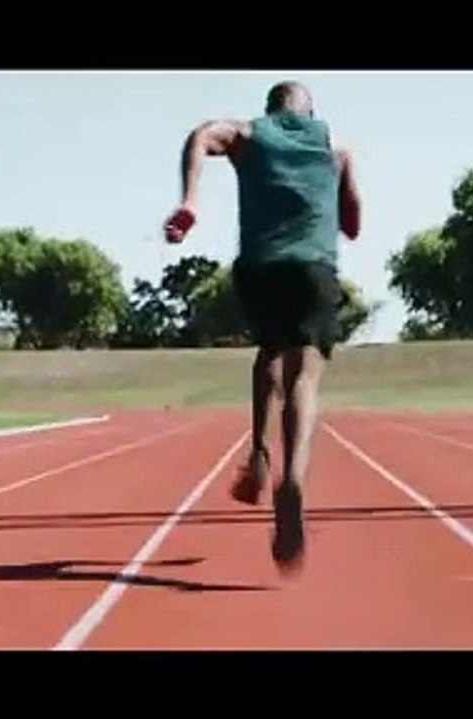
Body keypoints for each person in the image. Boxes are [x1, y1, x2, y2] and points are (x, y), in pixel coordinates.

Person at [162, 80, 362, 571]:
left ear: (271, 109)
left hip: (260, 266)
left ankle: (258, 452)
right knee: (303, 374)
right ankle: (291, 478)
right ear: (311, 112)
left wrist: (190, 200)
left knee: (269, 353)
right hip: (313, 267)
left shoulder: (251, 135)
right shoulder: (334, 151)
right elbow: (353, 224)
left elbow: (202, 134)